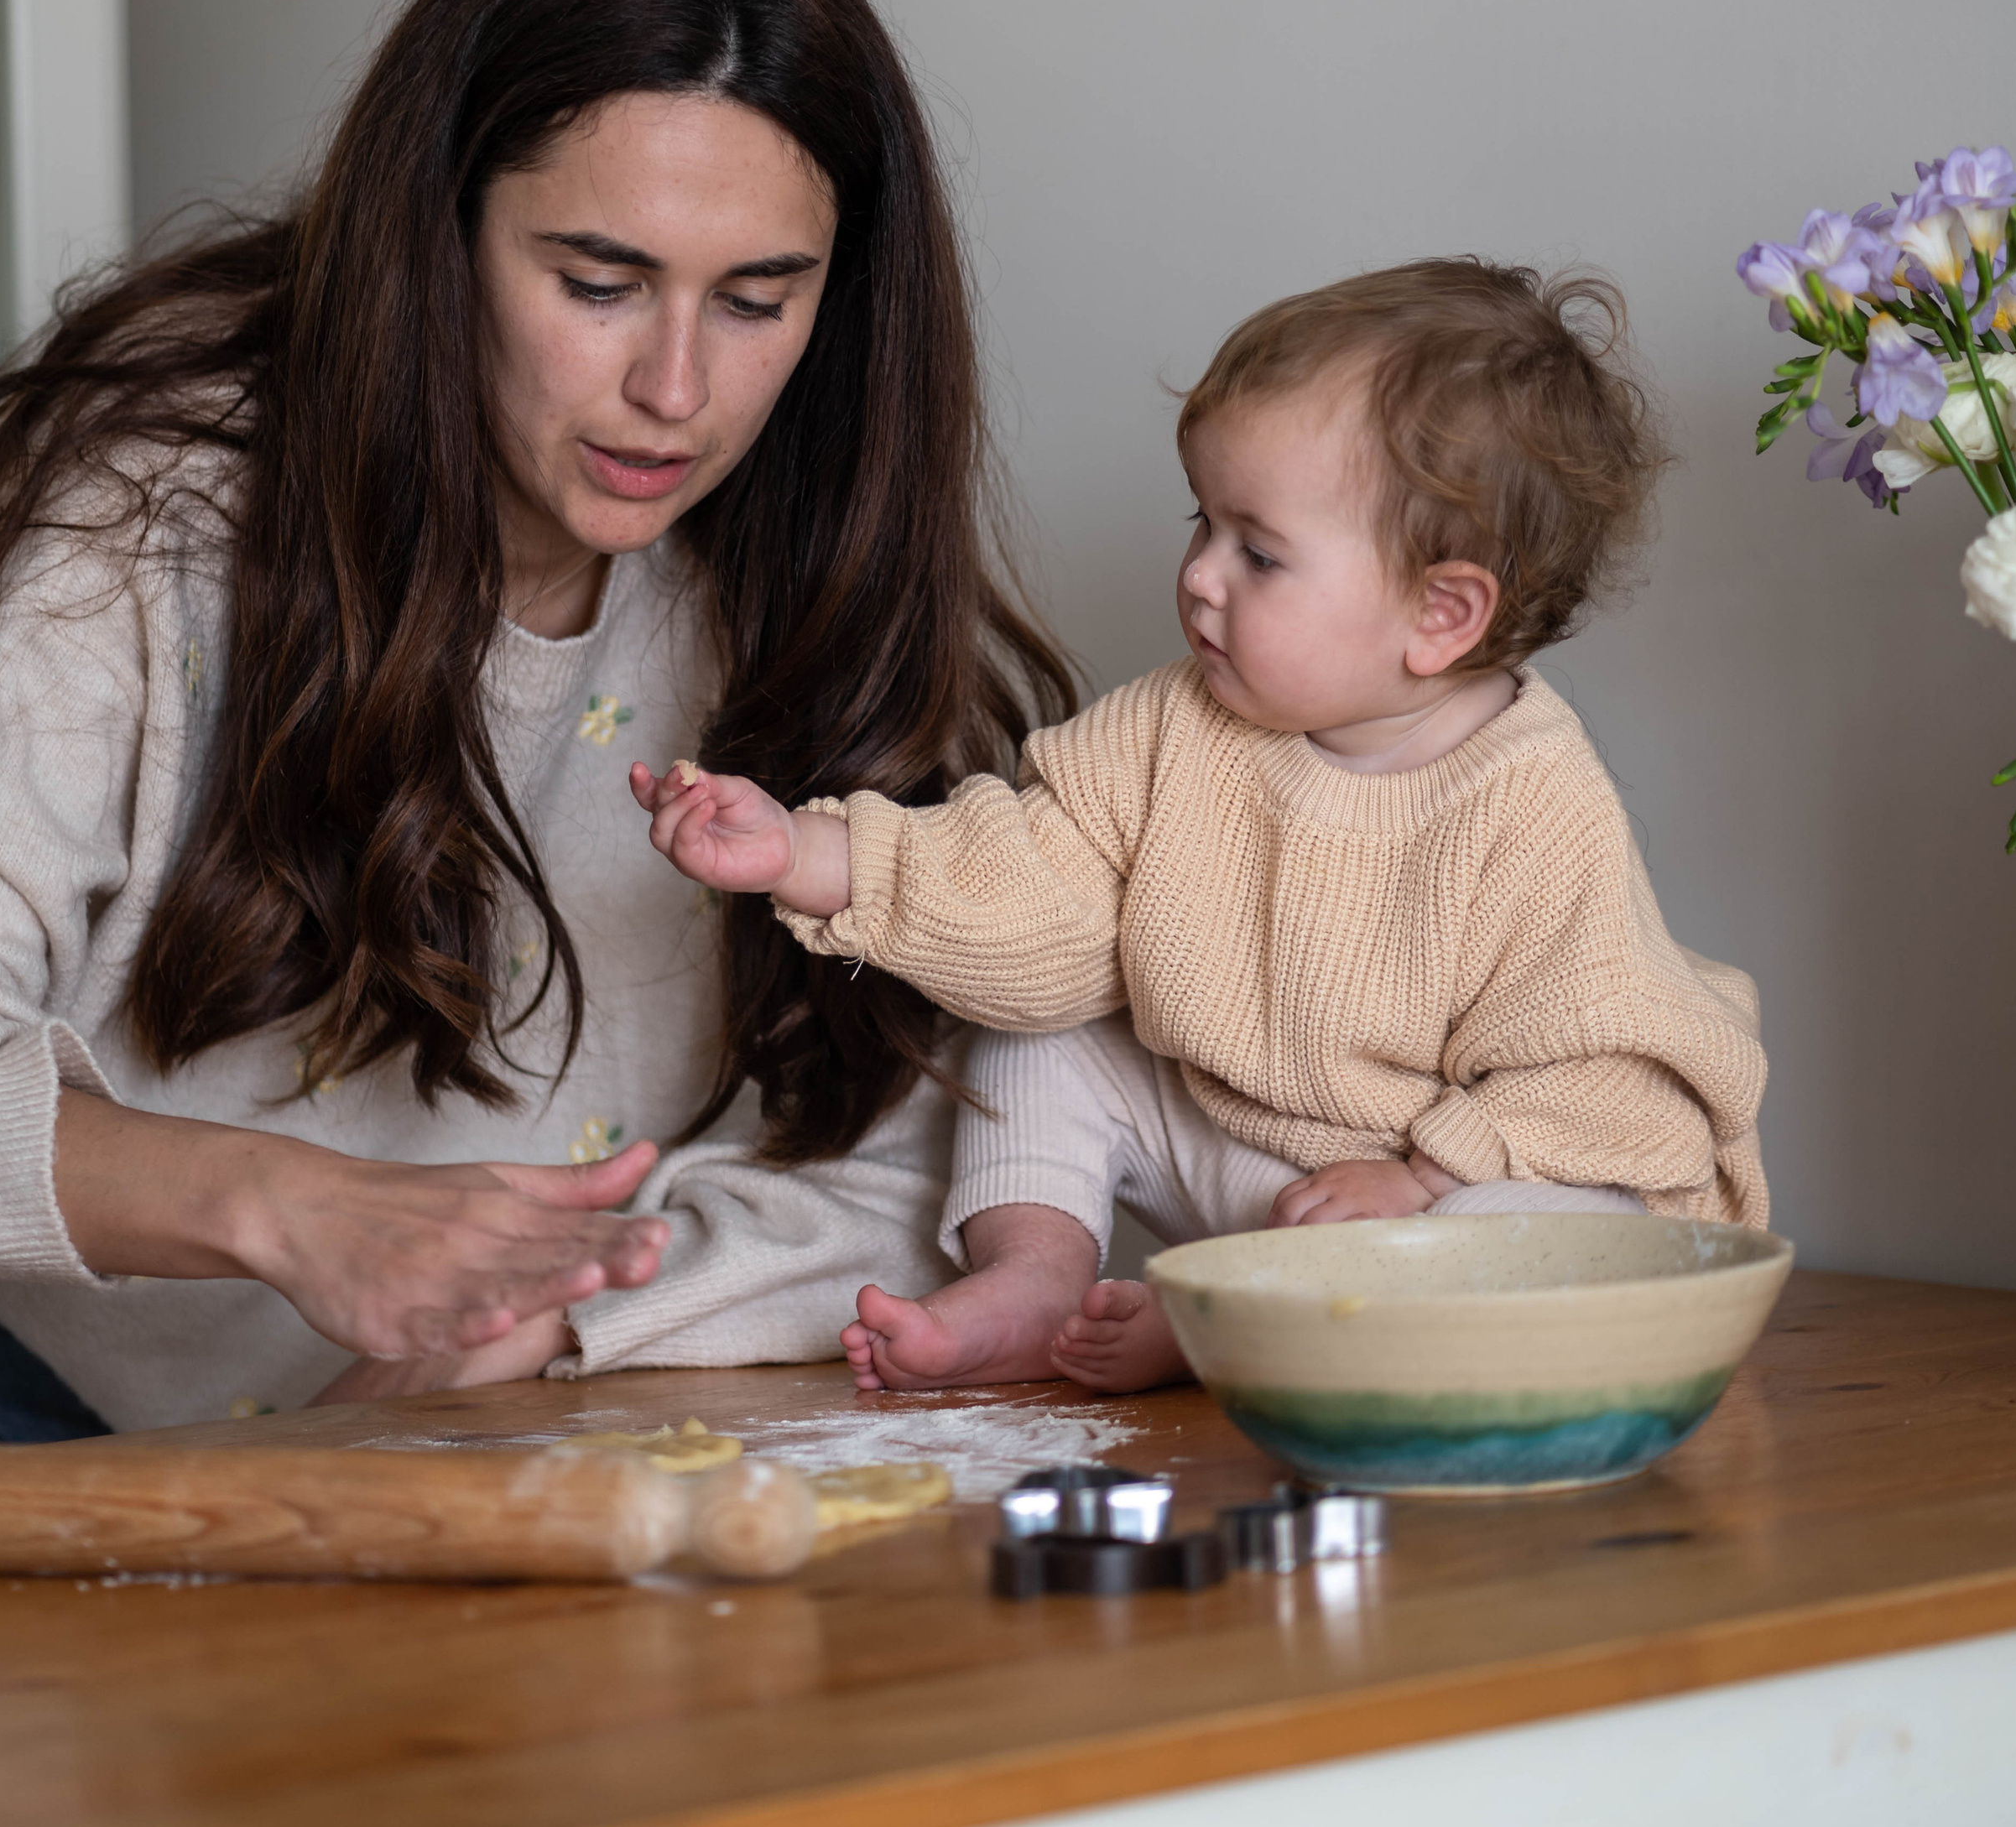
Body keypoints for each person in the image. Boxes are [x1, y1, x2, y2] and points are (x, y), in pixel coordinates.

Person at [0, 0, 1071, 1439]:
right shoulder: (137, 507)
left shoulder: (802, 556)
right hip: (6, 1385)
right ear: (440, 234)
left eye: (757, 299)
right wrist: (287, 1209)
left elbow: (926, 1160)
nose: (676, 390)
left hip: (461, 1419)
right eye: (597, 285)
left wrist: (523, 1339)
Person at [639, 260, 1769, 1394]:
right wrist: (810, 854)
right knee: (1045, 1042)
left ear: (1441, 613)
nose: (1199, 580)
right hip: (1248, 1166)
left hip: (1420, 1204)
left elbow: (1608, 1063)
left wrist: (1427, 1181)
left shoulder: (1530, 800)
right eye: (1204, 523)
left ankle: (1234, 1323)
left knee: (1555, 1227)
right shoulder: (1175, 724)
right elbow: (1033, 890)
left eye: (1258, 552)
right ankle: (1038, 1276)